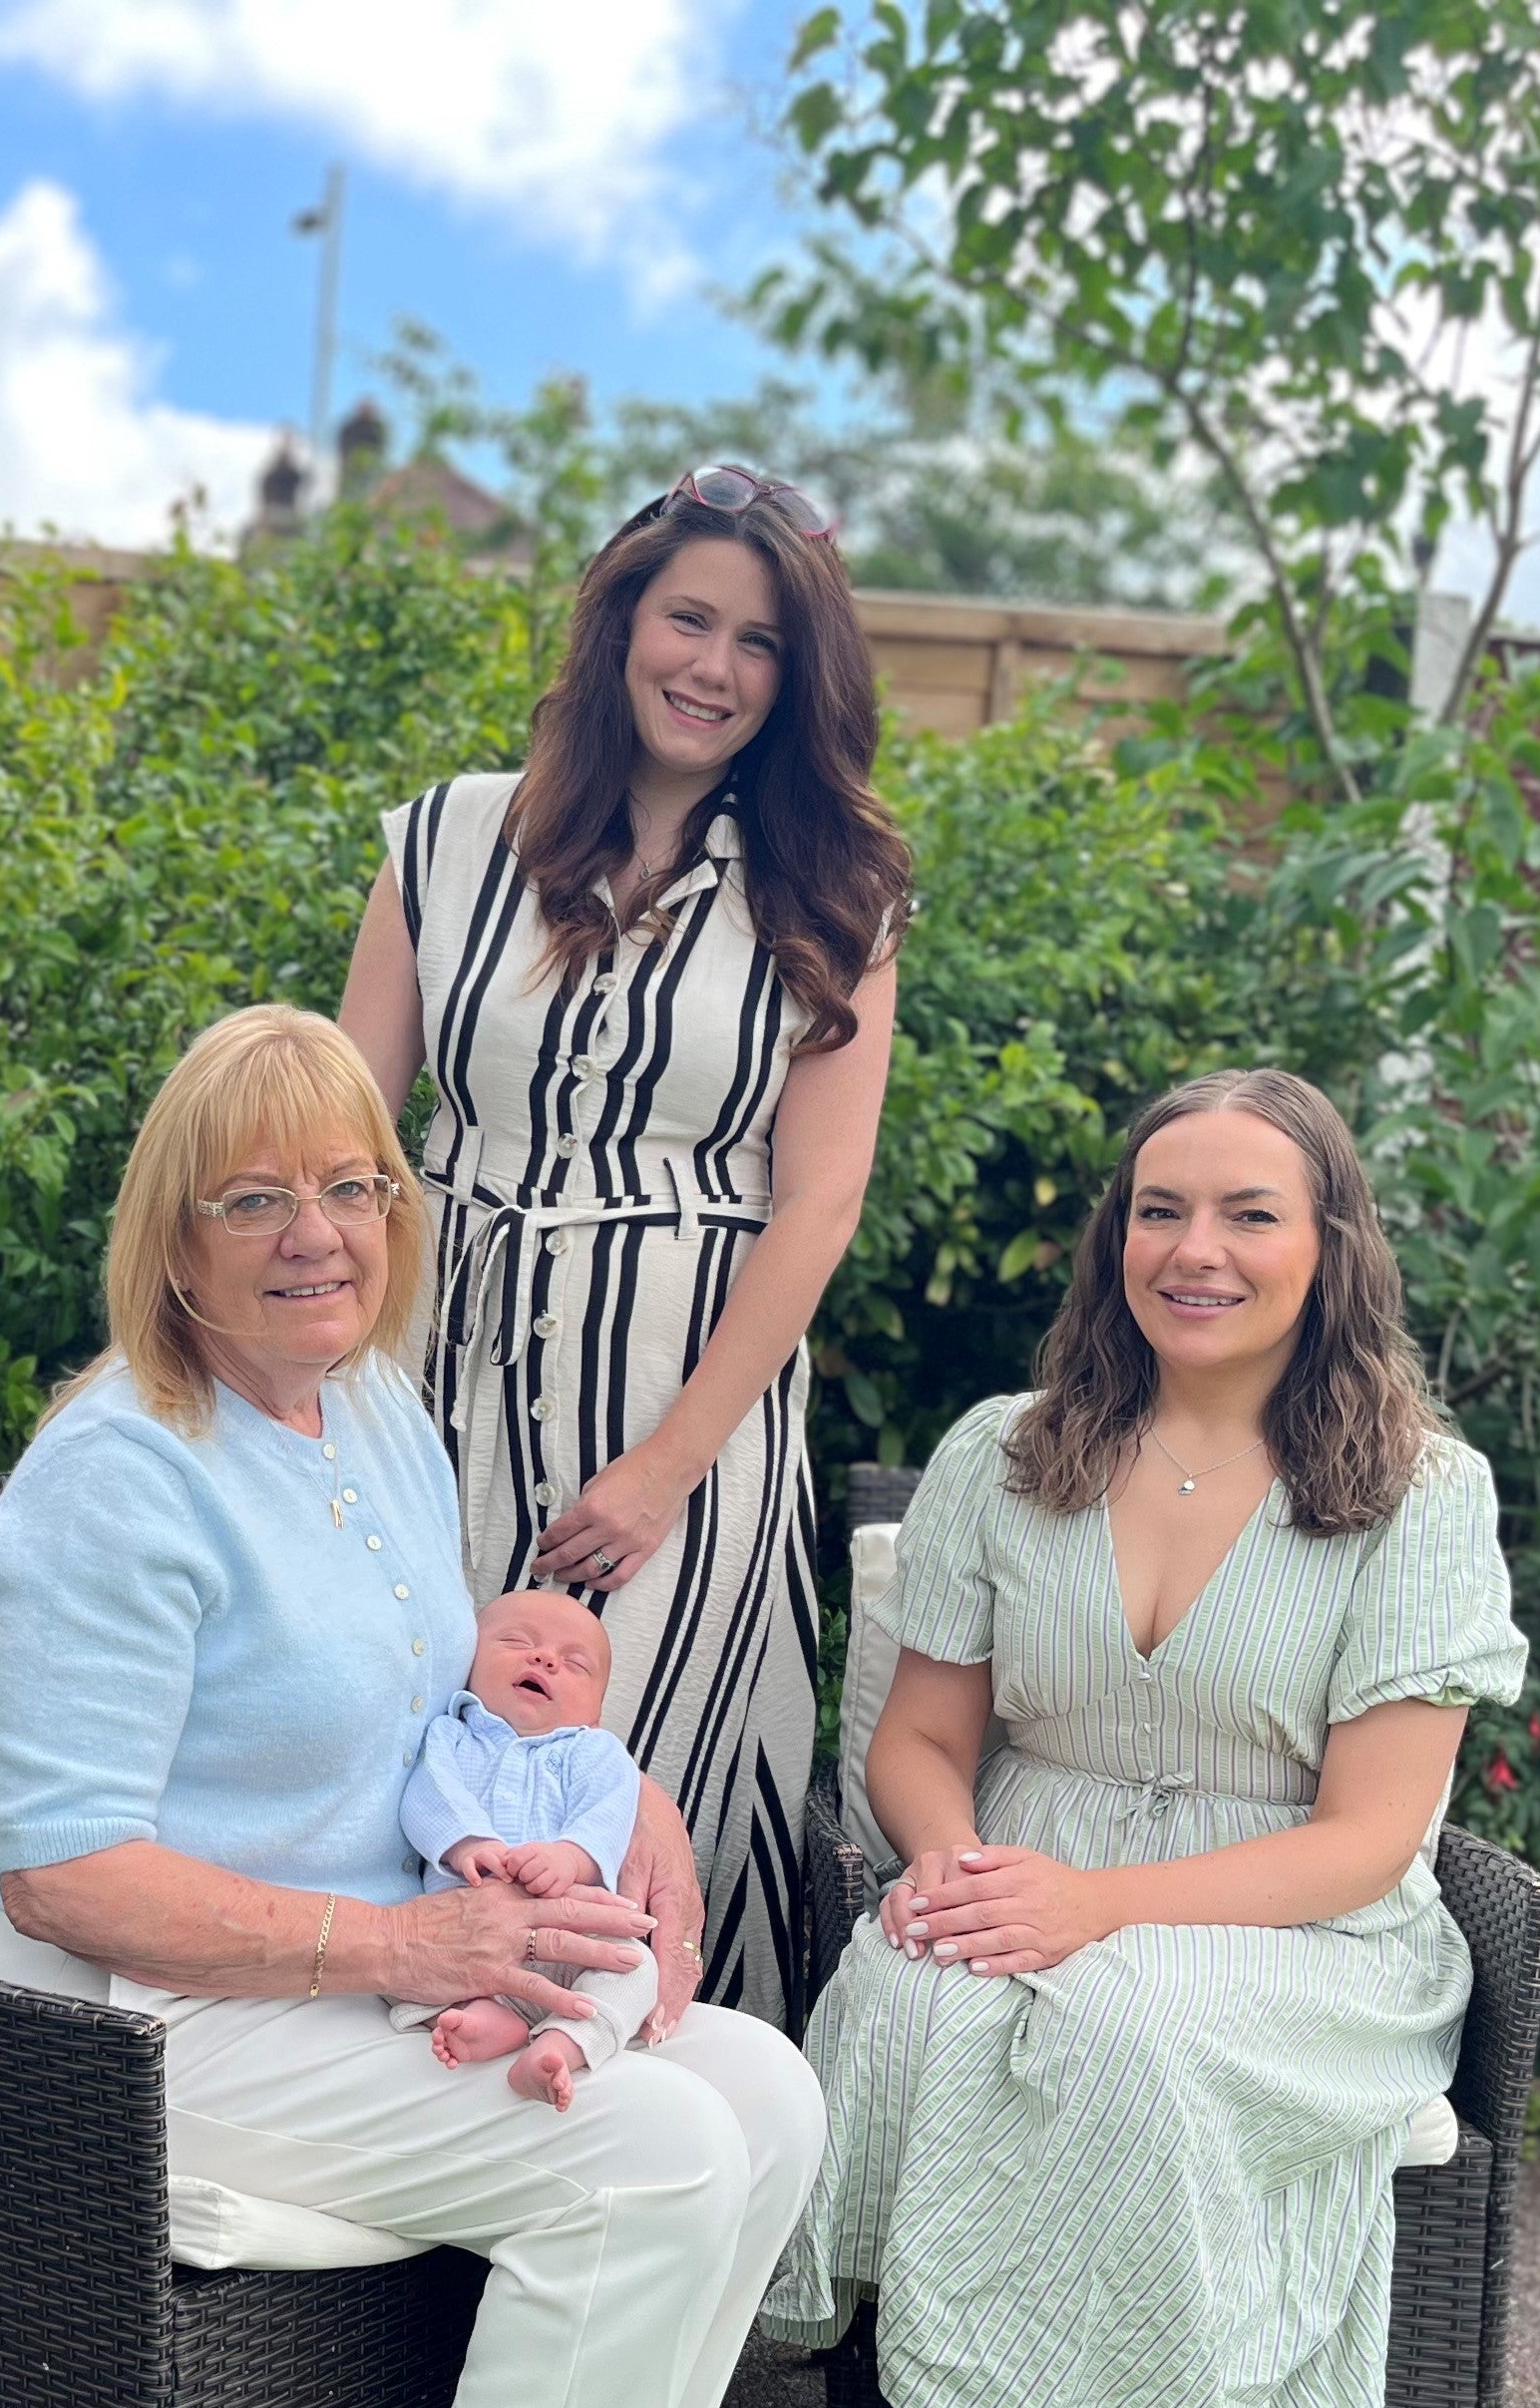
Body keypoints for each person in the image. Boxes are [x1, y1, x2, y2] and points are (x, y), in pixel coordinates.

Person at [0, 1003, 827, 2408]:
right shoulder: (119, 1478)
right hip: (147, 2024)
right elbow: (59, 1875)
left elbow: (415, 1701)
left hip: (380, 1970)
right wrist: (409, 1938)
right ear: (169, 1233)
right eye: (253, 1196)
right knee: (657, 2155)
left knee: (764, 2093)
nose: (315, 1235)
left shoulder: (372, 1405)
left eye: (353, 1185)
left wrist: (619, 1803)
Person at [761, 1069, 1526, 2408]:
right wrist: (954, 1863)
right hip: (1030, 1872)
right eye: (1160, 1207)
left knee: (1144, 2043)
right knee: (910, 2001)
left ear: (1330, 1245)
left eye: (1249, 1212)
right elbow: (917, 1737)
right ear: (1116, 1234)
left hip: (1298, 1924)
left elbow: (1367, 1834)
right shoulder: (1005, 1450)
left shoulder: (1417, 1493)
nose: (1196, 1247)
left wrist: (1098, 1902)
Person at [340, 463, 913, 2028]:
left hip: (685, 1419)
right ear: (621, 626)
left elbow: (820, 1202)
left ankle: (668, 2180)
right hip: (435, 1389)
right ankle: (408, 2209)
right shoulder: (450, 842)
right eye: (689, 619)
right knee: (429, 1778)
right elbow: (345, 1135)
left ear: (800, 682)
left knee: (648, 1807)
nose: (714, 669)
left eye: (760, 645)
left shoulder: (835, 887)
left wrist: (663, 1466)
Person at [403, 1590, 657, 2105]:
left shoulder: (595, 1751)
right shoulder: (450, 1736)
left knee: (635, 1967)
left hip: (569, 1931)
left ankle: (565, 2044)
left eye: (574, 1663)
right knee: (397, 1955)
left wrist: (571, 1856)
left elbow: (608, 1813)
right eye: (518, 1642)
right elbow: (430, 1793)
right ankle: (484, 2019)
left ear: (596, 1710)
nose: (544, 1659)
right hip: (460, 1930)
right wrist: (467, 1842)